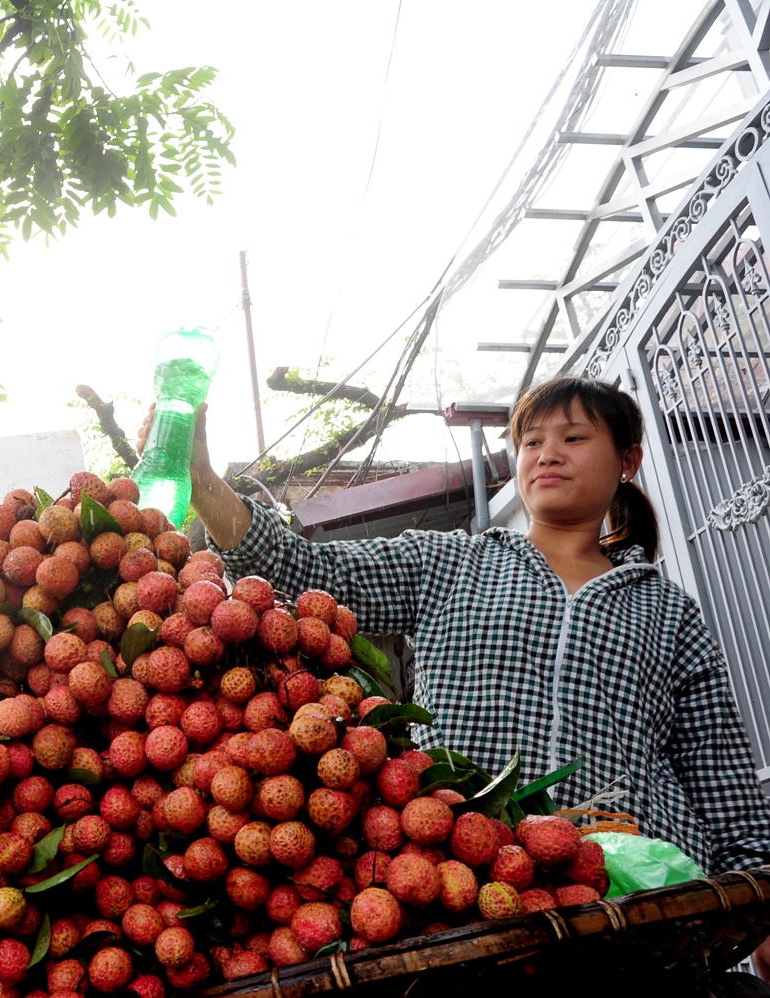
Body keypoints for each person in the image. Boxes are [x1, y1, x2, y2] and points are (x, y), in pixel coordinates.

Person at [142, 376, 770, 882]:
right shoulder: (449, 562)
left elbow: (720, 772)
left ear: (628, 460)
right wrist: (201, 479)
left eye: (574, 437)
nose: (547, 453)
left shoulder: (668, 609)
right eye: (531, 442)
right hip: (466, 883)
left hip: (642, 894)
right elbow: (304, 572)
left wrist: (759, 895)